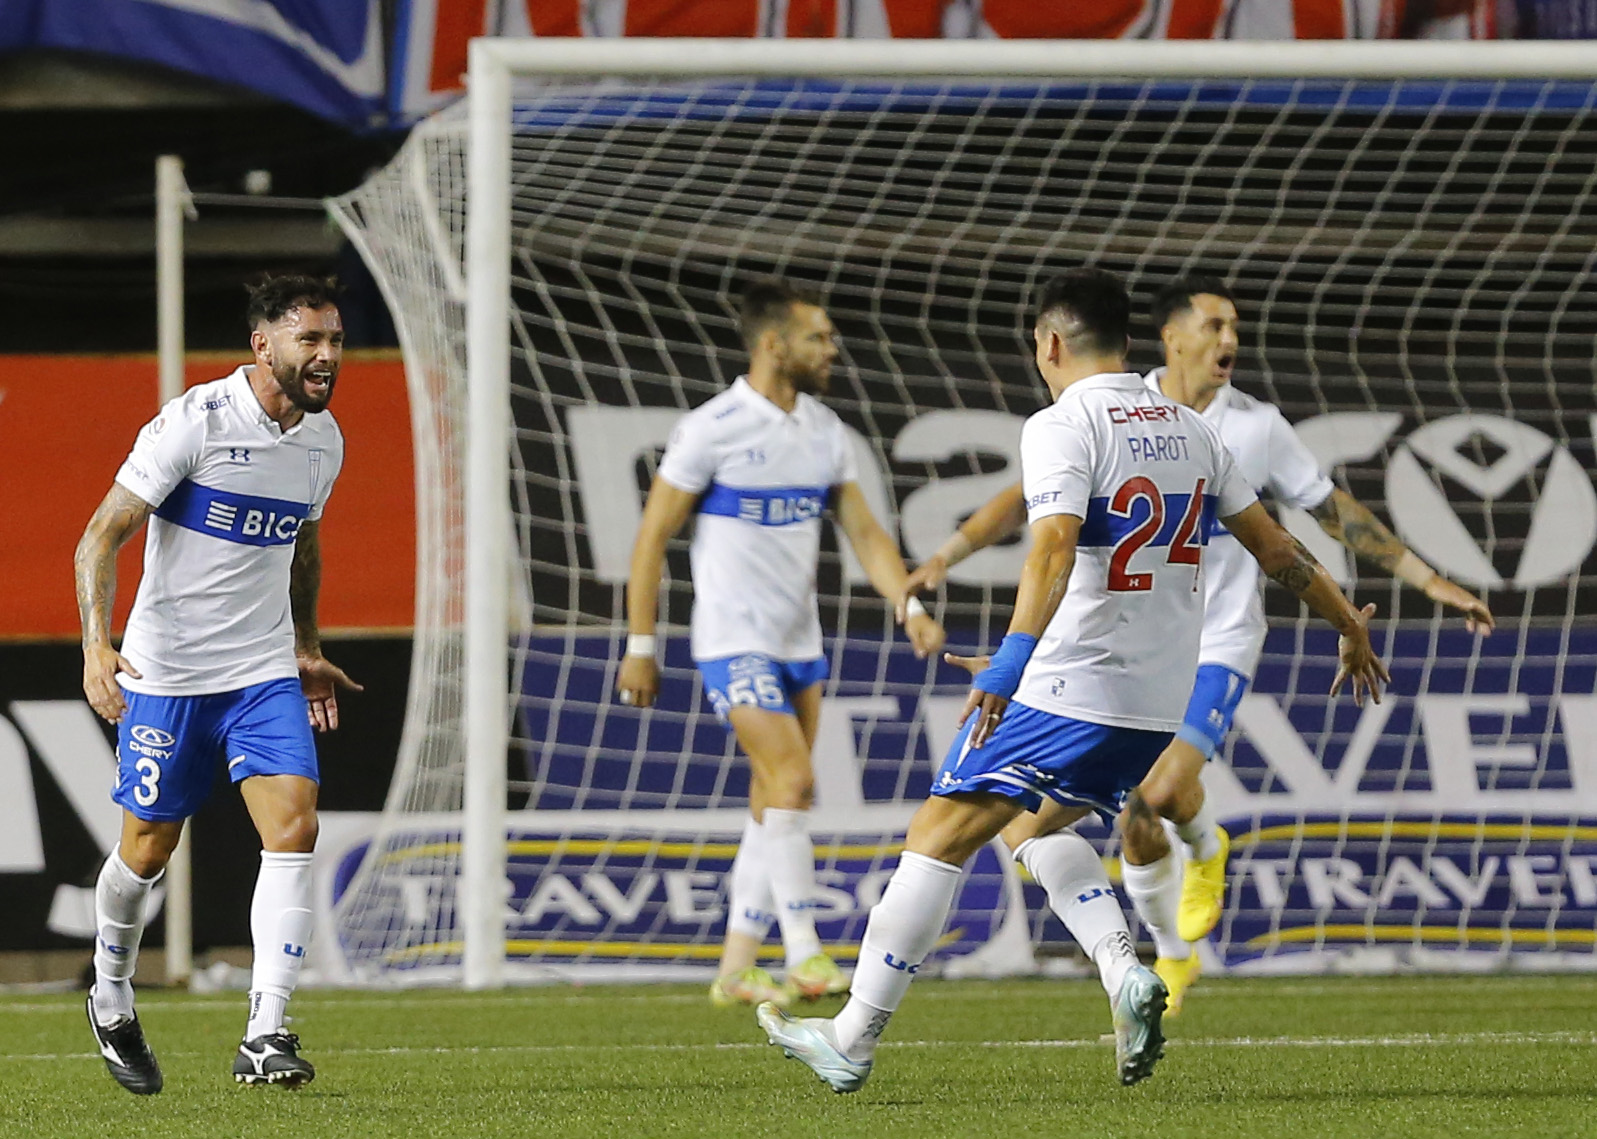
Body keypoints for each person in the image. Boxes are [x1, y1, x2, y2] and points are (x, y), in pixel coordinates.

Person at [759, 267, 1388, 1092]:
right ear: (1130, 344)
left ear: (1050, 343)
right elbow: (1280, 551)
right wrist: (1349, 624)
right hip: (1156, 704)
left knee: (934, 835)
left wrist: (1015, 660)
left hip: (1071, 689)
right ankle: (1123, 971)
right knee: (1028, 830)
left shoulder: (1061, 424)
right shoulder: (1195, 431)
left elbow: (1052, 545)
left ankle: (852, 1038)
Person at [904, 273, 1493, 1014]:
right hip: (1123, 651)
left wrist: (1426, 581)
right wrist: (944, 558)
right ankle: (1173, 952)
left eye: (1234, 328)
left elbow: (1324, 515)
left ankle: (1195, 862)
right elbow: (1024, 498)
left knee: (1154, 794)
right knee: (1106, 820)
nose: (1229, 340)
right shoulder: (1116, 405)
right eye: (1213, 325)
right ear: (1169, 337)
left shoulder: (1253, 425)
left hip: (1216, 640)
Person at [616, 278, 946, 1007]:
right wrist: (641, 643)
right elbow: (650, 539)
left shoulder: (825, 431)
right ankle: (804, 955)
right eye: (817, 337)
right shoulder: (711, 428)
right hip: (733, 640)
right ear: (773, 344)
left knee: (774, 800)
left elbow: (864, 533)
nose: (831, 349)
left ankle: (736, 967)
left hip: (800, 641)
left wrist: (908, 603)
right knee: (793, 780)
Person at [73, 274, 359, 1094]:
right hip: (168, 673)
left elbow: (302, 547)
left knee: (294, 826)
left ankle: (265, 1031)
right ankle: (112, 989)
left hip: (261, 674)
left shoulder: (323, 441)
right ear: (263, 344)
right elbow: (100, 538)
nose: (327, 355)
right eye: (311, 339)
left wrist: (304, 644)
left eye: (335, 339)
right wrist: (98, 648)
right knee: (146, 851)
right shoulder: (195, 422)